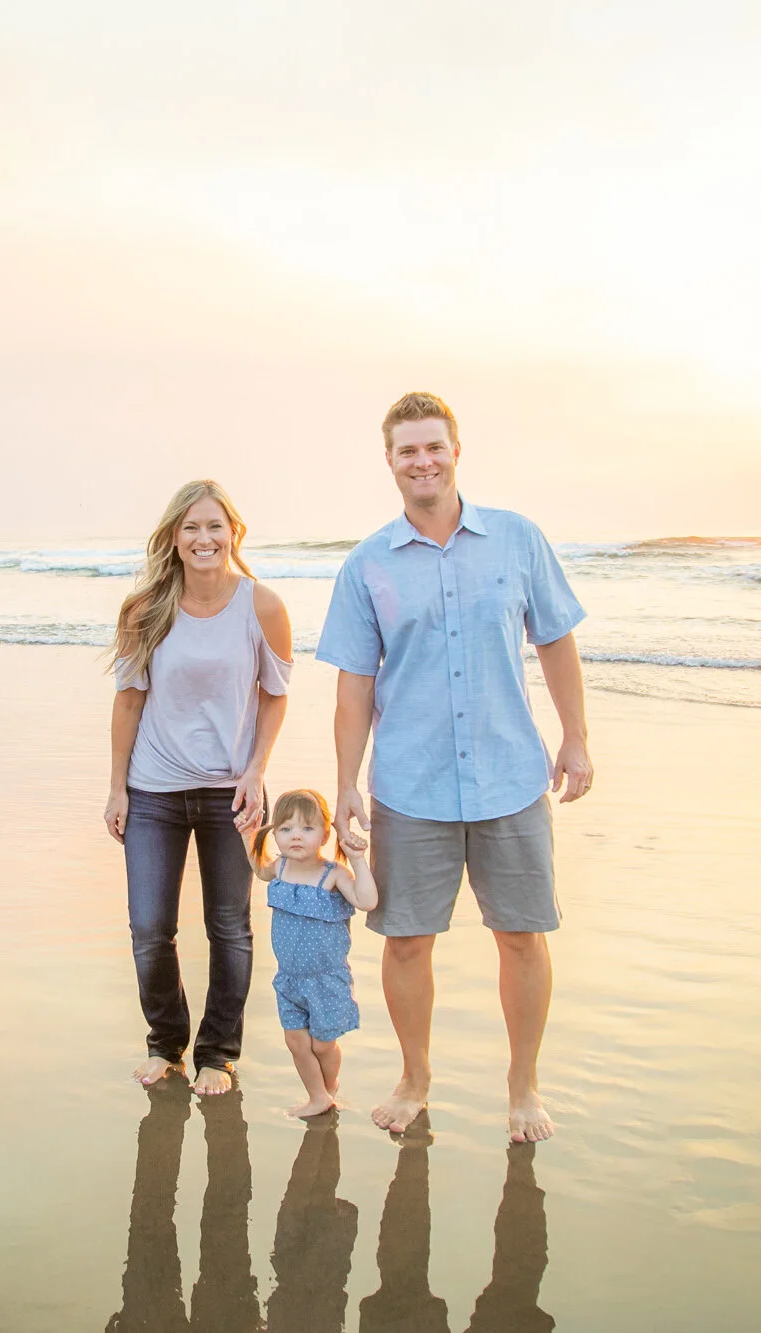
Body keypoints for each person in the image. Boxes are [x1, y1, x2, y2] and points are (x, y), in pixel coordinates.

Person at [317, 391, 593, 1144]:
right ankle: (414, 1077)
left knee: (521, 935)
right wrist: (345, 783)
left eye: (433, 446)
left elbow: (555, 640)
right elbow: (354, 684)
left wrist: (575, 737)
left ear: (456, 450)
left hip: (511, 777)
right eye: (408, 450)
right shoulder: (367, 565)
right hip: (412, 785)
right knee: (406, 939)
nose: (423, 461)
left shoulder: (516, 539)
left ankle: (523, 1085)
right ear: (389, 461)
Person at [106, 479, 295, 1097]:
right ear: (174, 537)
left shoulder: (262, 606)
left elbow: (275, 695)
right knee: (149, 928)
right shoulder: (145, 609)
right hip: (153, 792)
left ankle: (218, 1054)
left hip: (231, 794)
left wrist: (257, 769)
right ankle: (165, 1046)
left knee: (229, 928)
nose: (204, 538)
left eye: (215, 526)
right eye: (191, 527)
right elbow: (128, 701)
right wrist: (117, 789)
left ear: (233, 532)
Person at [250, 789, 377, 1119]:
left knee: (322, 1044)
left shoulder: (333, 874)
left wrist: (358, 859)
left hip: (327, 980)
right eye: (286, 828)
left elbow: (367, 901)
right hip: (289, 979)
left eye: (307, 828)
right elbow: (259, 870)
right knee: (296, 1042)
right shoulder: (280, 868)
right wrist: (246, 836)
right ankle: (317, 1096)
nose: (296, 836)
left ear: (324, 835)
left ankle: (329, 1088)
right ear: (275, 833)